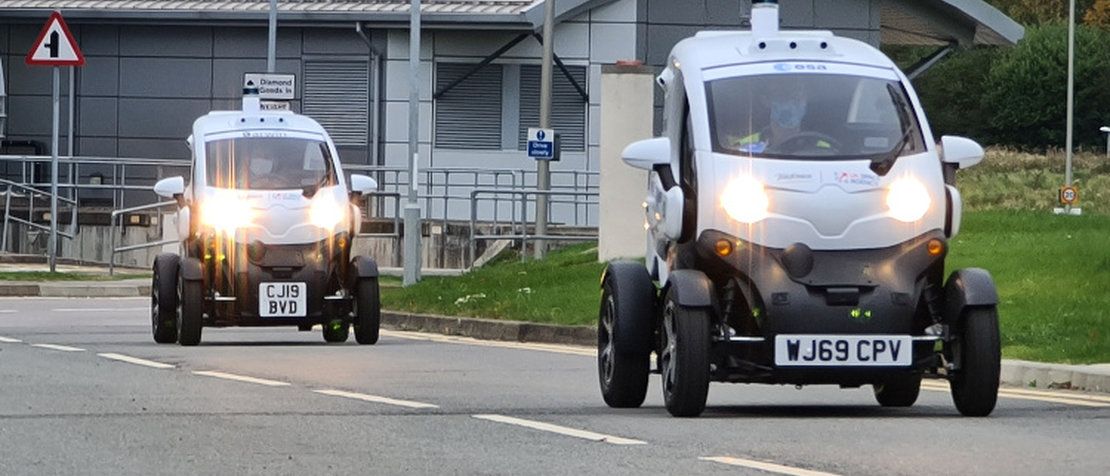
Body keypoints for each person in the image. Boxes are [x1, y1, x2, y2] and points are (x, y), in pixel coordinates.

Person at [730, 78, 832, 154]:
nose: (790, 100)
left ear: (806, 99)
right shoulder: (743, 148)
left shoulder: (826, 151)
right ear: (766, 100)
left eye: (797, 94)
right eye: (782, 94)